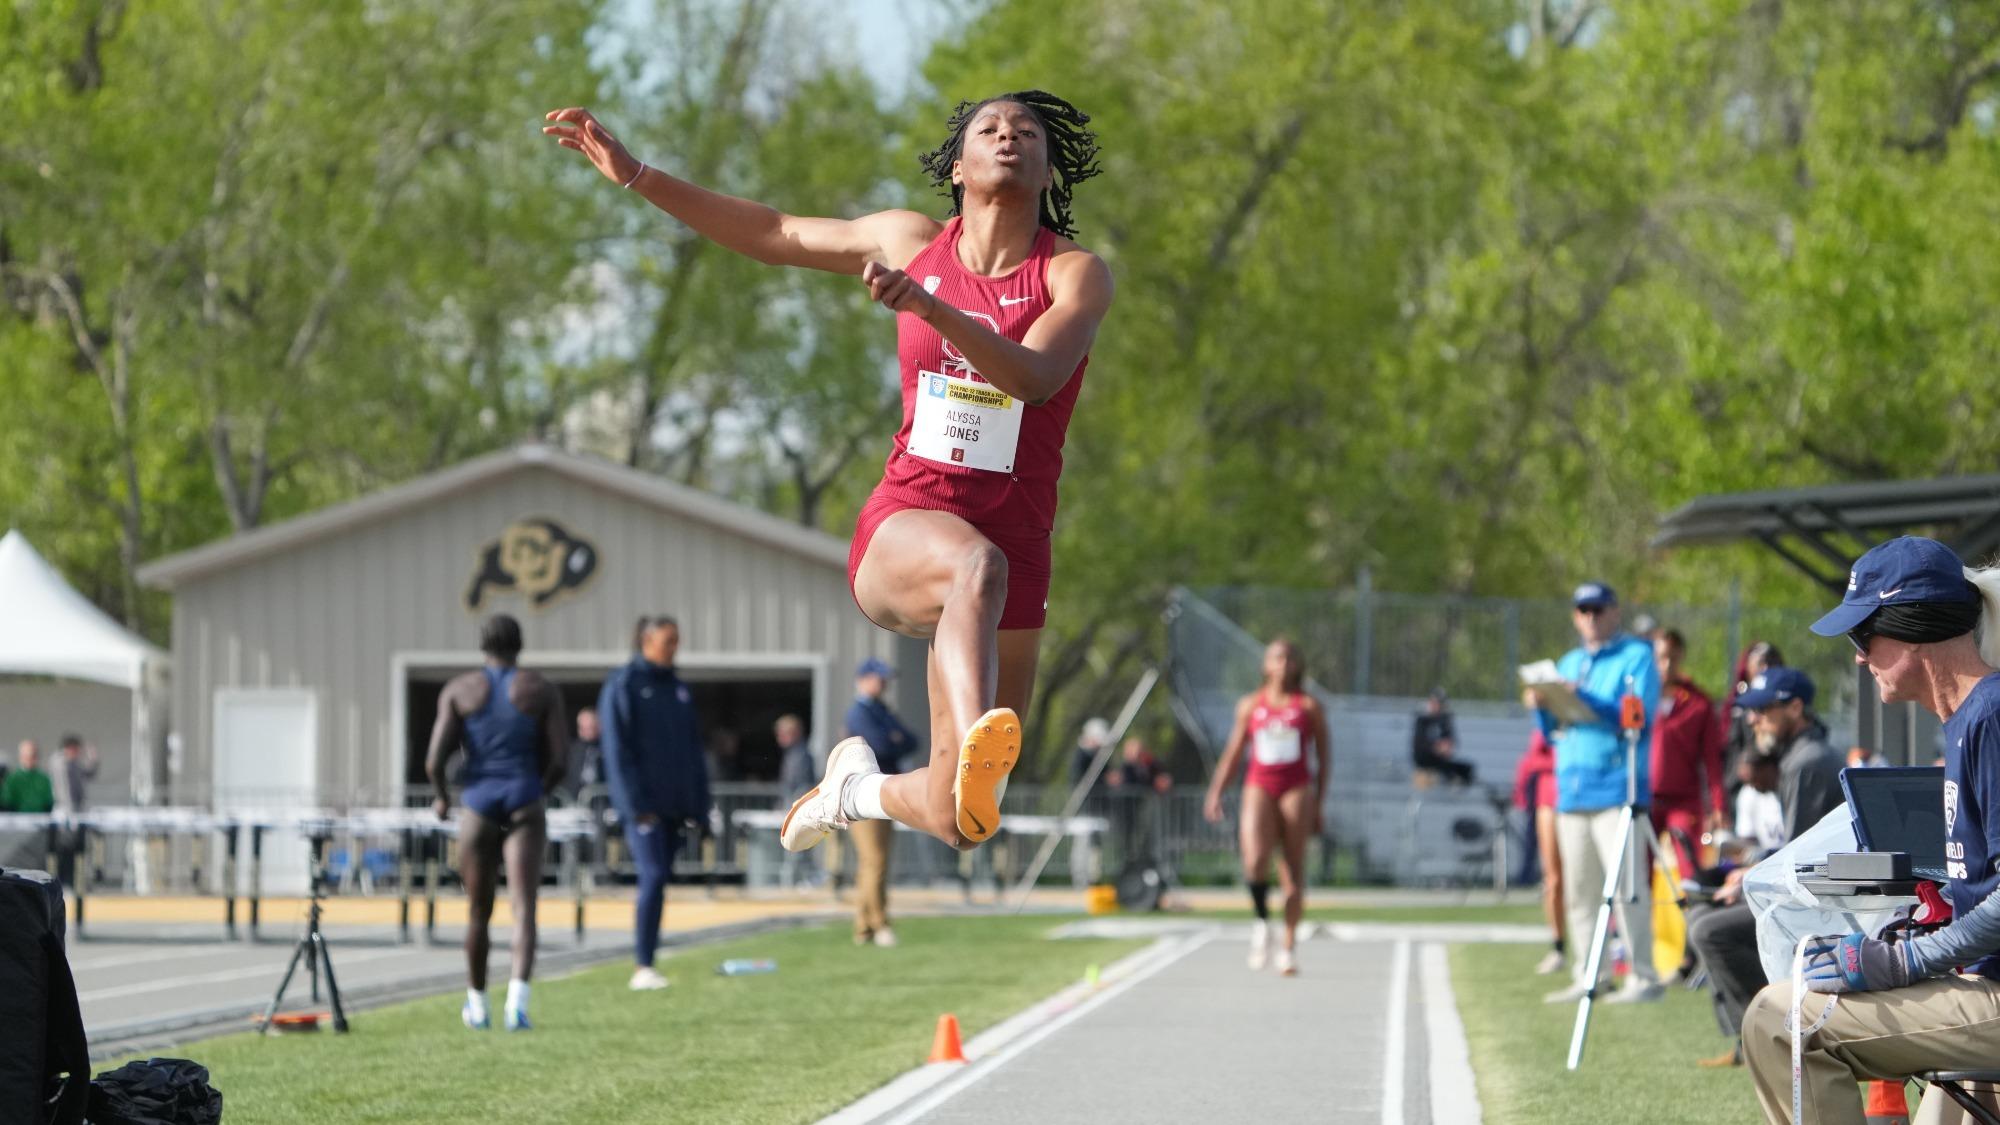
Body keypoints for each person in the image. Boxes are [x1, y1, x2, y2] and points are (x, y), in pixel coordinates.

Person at [545, 91, 1113, 857]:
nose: (1008, 136)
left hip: (1020, 538)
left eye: (1027, 132)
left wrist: (931, 310)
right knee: (976, 565)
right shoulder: (910, 242)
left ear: (1048, 171)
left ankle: (854, 788)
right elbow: (774, 231)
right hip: (911, 520)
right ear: (955, 168)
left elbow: (1037, 377)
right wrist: (640, 175)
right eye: (989, 128)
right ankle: (981, 730)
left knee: (963, 816)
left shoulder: (1073, 274)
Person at [1741, 537, 2000, 1123]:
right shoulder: (1969, 719)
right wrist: (1905, 943)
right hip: (1984, 988)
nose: (1859, 656)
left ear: (1913, 628)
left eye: (1864, 635)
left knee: (1779, 1021)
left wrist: (1906, 963)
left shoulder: (1991, 715)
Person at [1682, 666, 1843, 1068]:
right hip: (1814, 892)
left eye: (1763, 710)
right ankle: (1750, 1040)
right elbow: (1797, 847)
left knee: (1708, 930)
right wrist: (1750, 870)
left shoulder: (1806, 761)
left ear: (1795, 707)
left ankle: (1769, 1037)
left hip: (1820, 904)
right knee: (1702, 913)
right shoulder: (1801, 756)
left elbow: (1801, 861)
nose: (1753, 720)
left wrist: (1751, 876)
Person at [426, 614, 568, 1032]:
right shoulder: (539, 688)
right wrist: (539, 789)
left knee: (478, 911)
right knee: (523, 907)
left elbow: (435, 759)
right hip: (524, 797)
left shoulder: (460, 689)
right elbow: (561, 758)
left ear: (482, 646)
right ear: (520, 644)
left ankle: (477, 1005)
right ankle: (517, 1006)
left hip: (479, 802)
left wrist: (441, 796)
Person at [1527, 581, 1665, 1005]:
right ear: (1575, 616)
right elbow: (1553, 734)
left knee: (1626, 888)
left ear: (1614, 611)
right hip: (1572, 789)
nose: (1591, 617)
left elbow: (1636, 718)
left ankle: (1642, 977)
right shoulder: (1568, 661)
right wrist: (1541, 705)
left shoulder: (1637, 656)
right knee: (1580, 892)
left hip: (1616, 788)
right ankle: (1591, 975)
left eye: (1598, 609)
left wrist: (1581, 696)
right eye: (1583, 610)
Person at [1204, 638, 1332, 976]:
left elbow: (1325, 756)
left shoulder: (1308, 707)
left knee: (1293, 871)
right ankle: (1263, 923)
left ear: (1298, 665)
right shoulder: (1250, 705)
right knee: (1255, 860)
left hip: (1296, 787)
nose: (1284, 664)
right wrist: (1216, 791)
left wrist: (1319, 801)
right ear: (1266, 665)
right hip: (1259, 784)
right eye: (1277, 657)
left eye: (1290, 657)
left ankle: (1288, 946)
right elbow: (1233, 752)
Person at [599, 615, 710, 992]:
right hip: (644, 807)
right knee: (653, 876)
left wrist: (700, 806)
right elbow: (616, 749)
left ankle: (650, 959)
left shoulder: (678, 689)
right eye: (668, 640)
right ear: (646, 641)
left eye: (677, 640)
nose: (674, 647)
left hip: (676, 806)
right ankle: (642, 965)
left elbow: (693, 751)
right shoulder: (624, 684)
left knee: (661, 878)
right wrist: (633, 805)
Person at [844, 658, 918, 946]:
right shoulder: (860, 712)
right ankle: (879, 922)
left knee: (875, 863)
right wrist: (894, 737)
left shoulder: (881, 710)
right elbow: (882, 744)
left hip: (882, 791)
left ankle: (864, 927)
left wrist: (896, 737)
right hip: (864, 792)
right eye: (878, 678)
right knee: (873, 860)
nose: (883, 684)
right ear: (863, 679)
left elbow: (910, 740)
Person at [1649, 628, 1724, 878]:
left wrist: (1718, 806)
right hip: (1644, 800)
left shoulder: (1697, 703)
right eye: (1660, 657)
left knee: (1690, 871)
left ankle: (1695, 917)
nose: (1666, 665)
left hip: (1684, 802)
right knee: (1633, 875)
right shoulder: (1638, 699)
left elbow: (1712, 761)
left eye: (1672, 657)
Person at [1512, 729, 1567, 974]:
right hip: (1550, 799)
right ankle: (1558, 947)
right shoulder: (1547, 721)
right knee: (1553, 879)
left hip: (1584, 796)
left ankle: (1607, 947)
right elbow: (1532, 759)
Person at [1721, 640, 1784, 808]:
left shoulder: (1787, 705)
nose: (1766, 669)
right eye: (1760, 663)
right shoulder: (1739, 710)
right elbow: (1732, 758)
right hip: (1746, 794)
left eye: (1772, 663)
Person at [773, 715, 820, 892]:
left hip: (799, 808)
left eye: (784, 733)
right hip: (794, 806)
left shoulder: (801, 755)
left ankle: (810, 876)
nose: (780, 738)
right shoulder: (794, 754)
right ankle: (806, 877)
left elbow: (799, 785)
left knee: (799, 845)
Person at [49, 734, 97, 888]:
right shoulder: (59, 762)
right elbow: (64, 790)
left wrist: (93, 758)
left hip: (76, 809)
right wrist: (70, 813)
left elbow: (89, 773)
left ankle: (77, 880)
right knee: (63, 846)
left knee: (79, 845)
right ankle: (62, 880)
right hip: (64, 809)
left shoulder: (74, 763)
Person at [1411, 689, 1474, 785]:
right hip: (1425, 761)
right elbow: (1419, 745)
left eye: (1439, 703)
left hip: (1440, 761)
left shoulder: (1445, 720)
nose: (1436, 706)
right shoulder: (1422, 719)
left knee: (1466, 769)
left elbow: (1451, 740)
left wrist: (1447, 746)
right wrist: (1435, 747)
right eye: (1434, 702)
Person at [1, 741, 53, 814]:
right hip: (17, 820)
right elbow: (7, 801)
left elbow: (48, 802)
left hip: (40, 818)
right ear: (21, 757)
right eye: (26, 756)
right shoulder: (13, 778)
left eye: (33, 756)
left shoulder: (44, 778)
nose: (29, 759)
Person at [563, 707, 603, 800]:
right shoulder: (571, 750)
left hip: (602, 800)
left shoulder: (608, 749)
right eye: (584, 728)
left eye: (592, 727)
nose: (588, 731)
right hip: (574, 801)